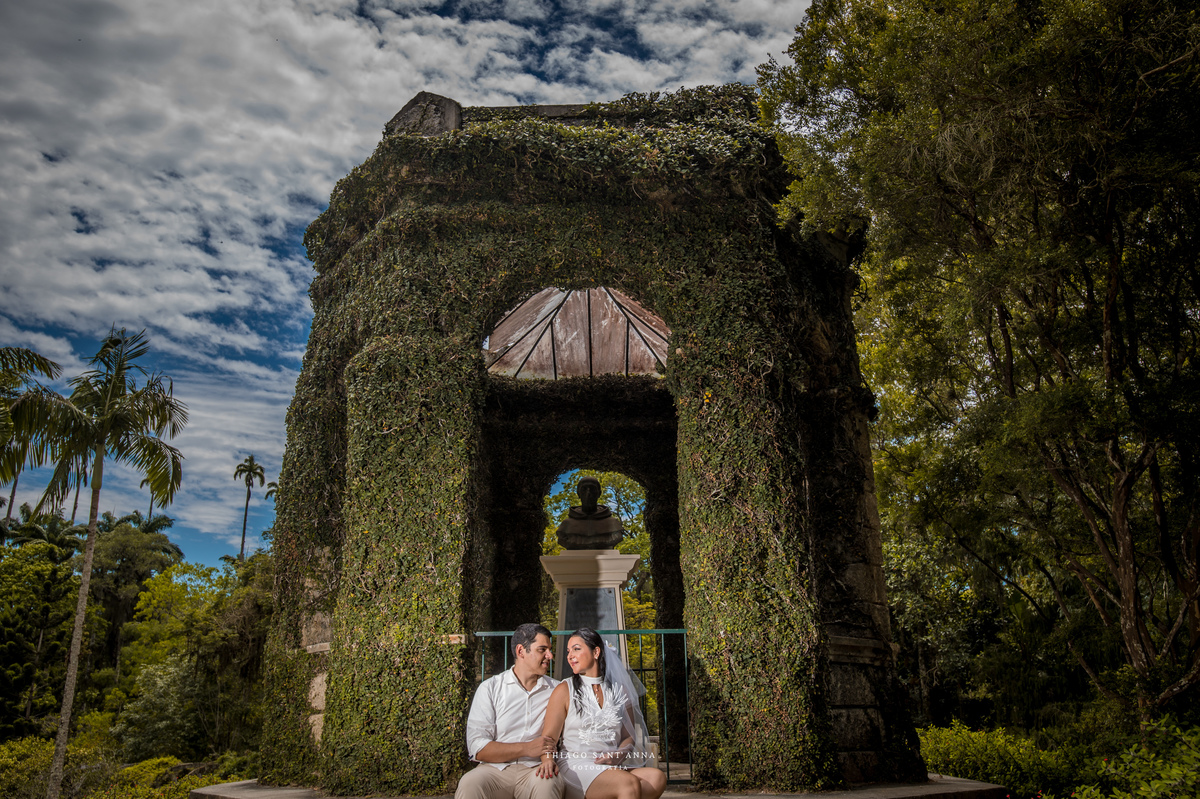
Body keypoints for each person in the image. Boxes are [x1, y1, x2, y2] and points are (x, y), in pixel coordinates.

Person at [534, 627, 667, 799]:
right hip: (577, 765)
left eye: (576, 649)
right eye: (568, 651)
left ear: (596, 652)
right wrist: (547, 760)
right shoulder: (564, 690)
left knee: (656, 778)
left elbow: (629, 737)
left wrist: (618, 755)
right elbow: (549, 738)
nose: (570, 656)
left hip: (610, 766)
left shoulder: (620, 690)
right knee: (628, 784)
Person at [457, 623, 565, 799]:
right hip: (494, 770)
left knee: (548, 783)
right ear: (521, 651)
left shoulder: (558, 690)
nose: (550, 656)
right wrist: (526, 748)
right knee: (470, 783)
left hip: (536, 769)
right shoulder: (490, 688)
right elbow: (477, 748)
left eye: (550, 650)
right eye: (542, 650)